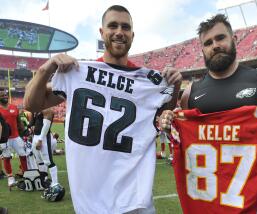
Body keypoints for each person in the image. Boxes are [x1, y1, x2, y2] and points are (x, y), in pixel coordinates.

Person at [24, 4, 182, 213]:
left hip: (135, 201)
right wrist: (46, 68)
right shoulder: (78, 72)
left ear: (132, 35)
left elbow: (163, 114)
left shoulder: (147, 80)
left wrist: (175, 85)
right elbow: (32, 104)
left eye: (125, 27)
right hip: (91, 201)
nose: (119, 32)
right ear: (102, 32)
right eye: (113, 26)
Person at [159, 14, 257, 214]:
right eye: (208, 42)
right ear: (202, 49)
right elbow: (182, 141)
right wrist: (169, 126)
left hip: (249, 200)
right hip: (205, 199)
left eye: (220, 38)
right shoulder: (190, 93)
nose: (215, 45)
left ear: (233, 39)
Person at [0, 90, 28, 187]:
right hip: (4, 139)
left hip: (16, 137)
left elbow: (18, 121)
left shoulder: (14, 107)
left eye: (6, 95)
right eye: (2, 95)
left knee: (23, 155)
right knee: (6, 158)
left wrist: (24, 130)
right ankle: (10, 178)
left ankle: (26, 174)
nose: (5, 96)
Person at [31, 108, 61, 193]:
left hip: (43, 138)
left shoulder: (47, 109)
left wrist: (40, 140)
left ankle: (55, 184)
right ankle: (44, 180)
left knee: (48, 162)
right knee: (39, 160)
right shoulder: (37, 109)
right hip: (35, 136)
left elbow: (46, 125)